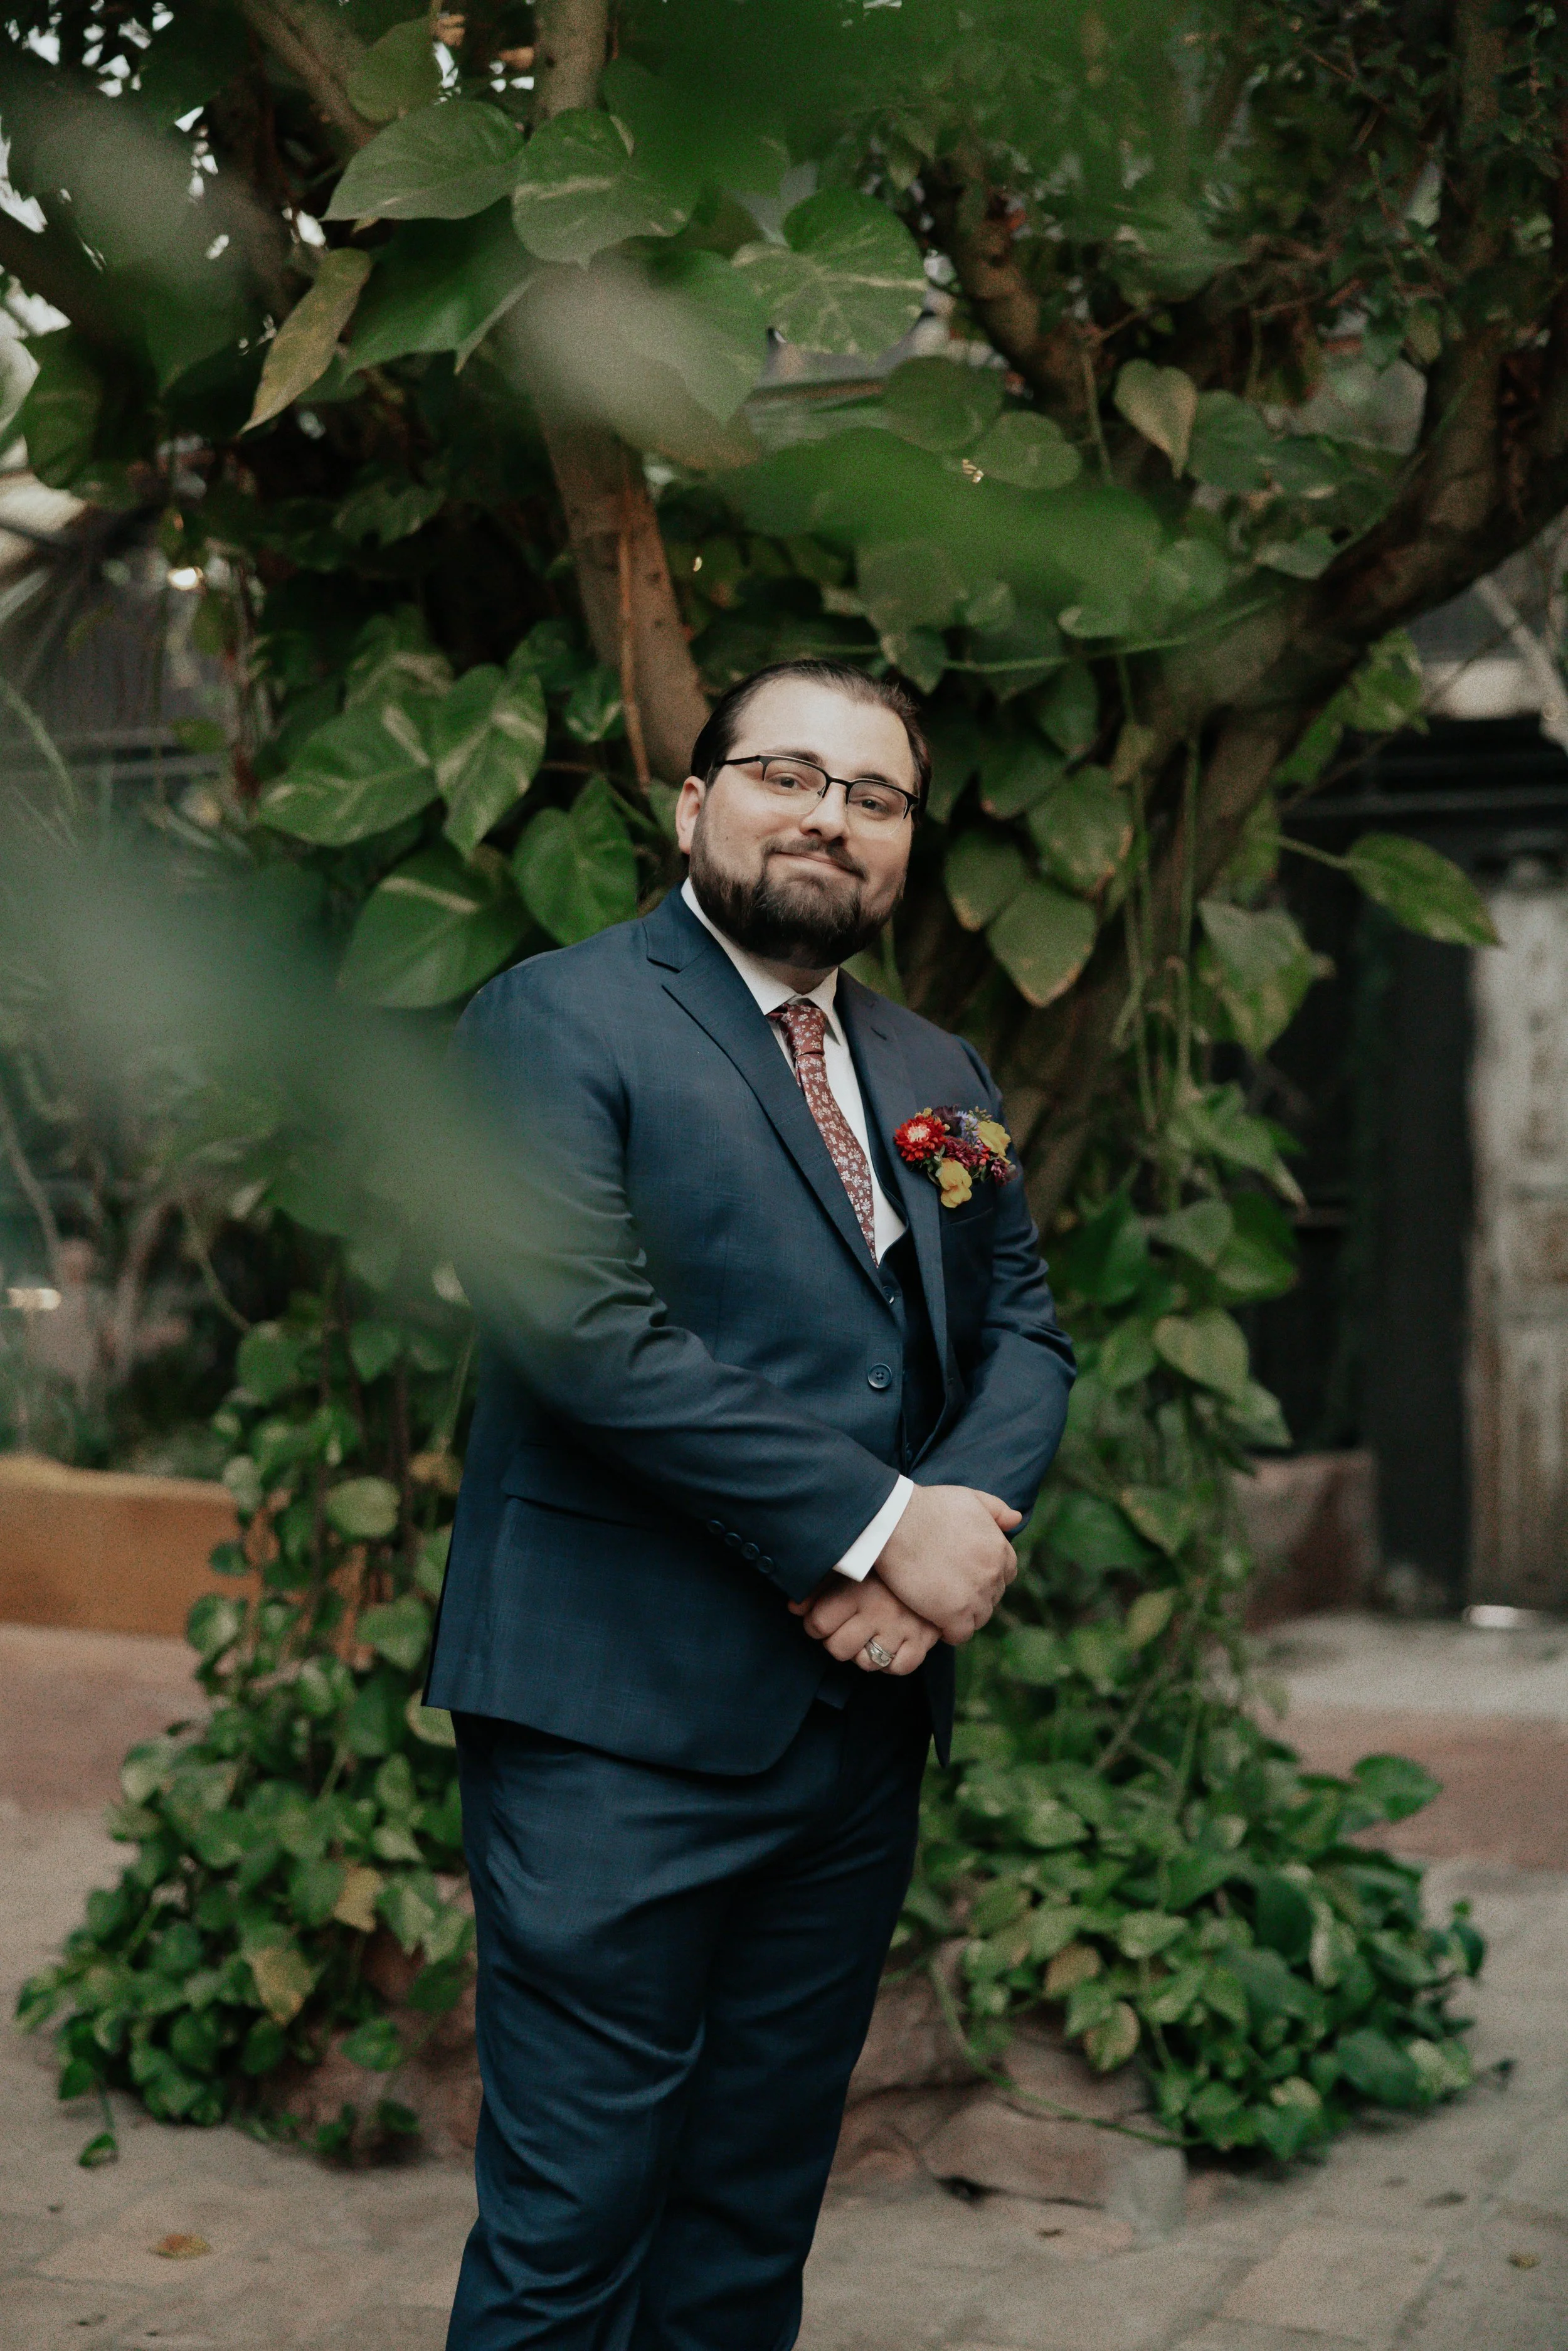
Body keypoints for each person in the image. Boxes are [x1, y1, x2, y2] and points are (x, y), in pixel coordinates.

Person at [426, 657, 1076, 2350]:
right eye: (787, 772)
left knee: (747, 2215)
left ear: (903, 848)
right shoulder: (553, 1017)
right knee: (572, 2228)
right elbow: (580, 1330)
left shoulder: (938, 1062)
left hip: (848, 1733)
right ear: (691, 802)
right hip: (610, 1728)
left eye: (872, 795)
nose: (828, 815)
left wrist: (944, 1544)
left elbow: (1022, 1330)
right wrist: (878, 1526)